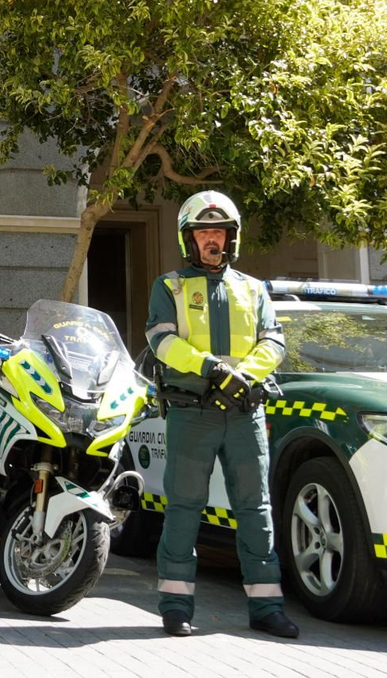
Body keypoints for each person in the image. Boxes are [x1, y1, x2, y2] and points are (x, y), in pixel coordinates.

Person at [145, 190, 298, 639]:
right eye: (203, 232)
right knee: (184, 508)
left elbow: (274, 342)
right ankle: (175, 606)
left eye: (219, 232)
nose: (212, 240)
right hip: (193, 413)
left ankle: (267, 606)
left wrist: (243, 375)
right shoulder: (169, 286)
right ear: (188, 239)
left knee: (257, 509)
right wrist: (211, 369)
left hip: (244, 412)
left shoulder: (253, 288)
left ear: (232, 238)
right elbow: (162, 341)